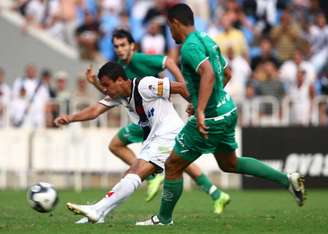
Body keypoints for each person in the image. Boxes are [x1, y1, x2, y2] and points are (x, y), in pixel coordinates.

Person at [136, 3, 306, 226]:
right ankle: (287, 180)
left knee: (172, 165)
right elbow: (226, 73)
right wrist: (202, 98)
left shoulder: (189, 47)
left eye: (170, 27)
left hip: (211, 117)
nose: (171, 32)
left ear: (176, 23)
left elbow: (207, 73)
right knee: (230, 163)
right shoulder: (207, 38)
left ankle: (163, 219)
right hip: (227, 109)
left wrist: (200, 108)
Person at [54, 62, 228, 224]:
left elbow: (182, 87)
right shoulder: (120, 96)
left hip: (168, 134)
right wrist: (70, 118)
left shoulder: (146, 85)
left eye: (107, 85)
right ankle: (100, 214)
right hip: (154, 138)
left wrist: (198, 107)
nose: (105, 90)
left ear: (120, 80)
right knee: (131, 174)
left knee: (136, 172)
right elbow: (94, 110)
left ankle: (97, 210)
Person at [86, 28, 230, 213]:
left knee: (118, 145)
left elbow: (167, 61)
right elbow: (114, 94)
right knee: (176, 158)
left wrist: (180, 83)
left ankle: (151, 175)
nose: (120, 49)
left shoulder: (139, 59)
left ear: (132, 45)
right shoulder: (118, 67)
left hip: (156, 118)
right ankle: (215, 193)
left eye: (123, 45)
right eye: (116, 46)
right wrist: (96, 84)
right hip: (144, 119)